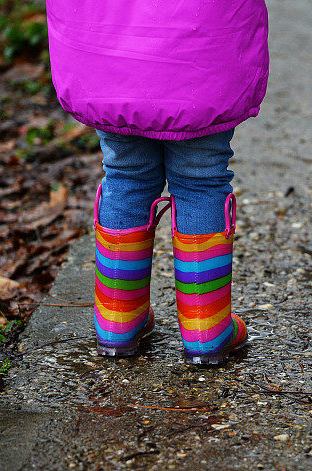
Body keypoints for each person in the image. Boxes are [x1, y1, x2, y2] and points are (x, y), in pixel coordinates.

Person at [45, 0, 269, 365]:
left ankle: (118, 323)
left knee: (126, 175)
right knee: (201, 181)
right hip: (202, 51)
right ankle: (206, 330)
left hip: (107, 48)